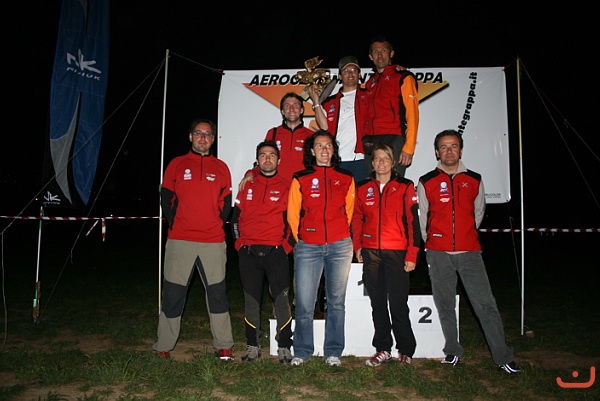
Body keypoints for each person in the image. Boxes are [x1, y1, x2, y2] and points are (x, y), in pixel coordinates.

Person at [417, 129, 521, 374]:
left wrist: (464, 235)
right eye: (444, 147)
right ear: (437, 152)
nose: (449, 151)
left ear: (460, 150)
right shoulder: (426, 180)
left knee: (486, 305)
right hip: (438, 253)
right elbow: (423, 217)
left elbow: (478, 212)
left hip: (470, 253)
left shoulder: (474, 179)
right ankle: (453, 351)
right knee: (445, 305)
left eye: (453, 146)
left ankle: (503, 357)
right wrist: (433, 242)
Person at [153, 118, 235, 361]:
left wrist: (216, 223)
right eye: (198, 133)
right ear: (190, 137)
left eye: (208, 134)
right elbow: (165, 196)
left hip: (213, 241)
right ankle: (164, 345)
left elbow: (226, 203)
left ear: (213, 139)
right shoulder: (177, 164)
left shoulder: (221, 167)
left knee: (217, 294)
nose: (203, 138)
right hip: (181, 240)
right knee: (173, 294)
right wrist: (175, 223)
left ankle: (224, 345)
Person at [287, 130, 355, 366]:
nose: (324, 150)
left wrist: (340, 234)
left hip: (340, 246)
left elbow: (350, 211)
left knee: (336, 302)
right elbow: (293, 214)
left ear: (333, 150)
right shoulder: (301, 178)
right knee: (305, 303)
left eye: (328, 145)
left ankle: (333, 351)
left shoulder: (346, 177)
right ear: (312, 151)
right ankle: (302, 351)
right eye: (319, 146)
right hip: (309, 247)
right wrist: (302, 239)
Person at [352, 143, 420, 366]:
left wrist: (412, 254)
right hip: (371, 253)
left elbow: (413, 222)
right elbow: (357, 219)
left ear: (393, 162)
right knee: (378, 303)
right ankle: (383, 348)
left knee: (398, 304)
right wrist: (358, 246)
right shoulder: (363, 187)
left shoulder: (405, 186)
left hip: (397, 252)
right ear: (372, 163)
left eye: (385, 158)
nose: (381, 162)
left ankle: (406, 349)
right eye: (377, 158)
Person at [231, 140, 294, 364]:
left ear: (279, 160)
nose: (267, 159)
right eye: (263, 155)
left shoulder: (287, 186)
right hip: (248, 252)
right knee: (251, 300)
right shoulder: (246, 184)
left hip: (276, 252)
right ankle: (252, 346)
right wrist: (239, 245)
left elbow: (295, 221)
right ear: (257, 160)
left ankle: (284, 346)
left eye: (272, 155)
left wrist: (286, 247)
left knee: (281, 300)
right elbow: (235, 219)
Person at [363, 36, 419, 178]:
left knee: (394, 184)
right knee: (371, 185)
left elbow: (412, 114)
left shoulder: (403, 77)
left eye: (383, 51)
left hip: (394, 138)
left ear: (391, 53)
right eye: (376, 52)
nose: (380, 55)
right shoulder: (370, 82)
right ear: (371, 56)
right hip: (371, 140)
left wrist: (409, 147)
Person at [308, 55, 371, 181]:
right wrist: (315, 101)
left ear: (359, 75)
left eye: (354, 70)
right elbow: (324, 126)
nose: (350, 74)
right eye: (346, 71)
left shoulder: (370, 96)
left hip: (361, 158)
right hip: (338, 159)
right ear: (340, 76)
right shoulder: (330, 102)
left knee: (362, 192)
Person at [239, 92, 315, 187]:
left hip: (302, 188)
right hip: (277, 189)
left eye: (295, 105)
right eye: (287, 106)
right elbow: (263, 160)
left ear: (301, 110)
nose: (291, 109)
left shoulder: (311, 135)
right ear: (282, 111)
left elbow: (317, 166)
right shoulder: (273, 133)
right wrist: (251, 173)